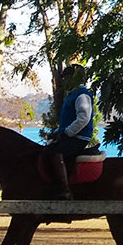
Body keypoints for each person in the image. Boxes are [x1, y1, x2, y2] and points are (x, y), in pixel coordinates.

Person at [42, 64, 99, 199]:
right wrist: (56, 132)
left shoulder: (82, 95)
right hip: (71, 135)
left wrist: (66, 133)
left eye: (66, 78)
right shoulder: (73, 95)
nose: (64, 81)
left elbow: (83, 118)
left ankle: (65, 190)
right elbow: (68, 120)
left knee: (56, 154)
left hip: (79, 137)